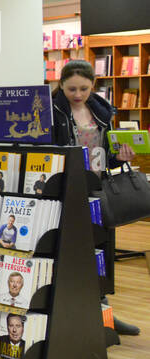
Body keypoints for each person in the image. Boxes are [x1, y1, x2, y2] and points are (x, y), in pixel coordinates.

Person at [51, 59, 138, 334]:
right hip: (66, 189)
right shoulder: (52, 112)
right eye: (71, 89)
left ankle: (105, 315)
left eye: (84, 89)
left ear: (93, 86)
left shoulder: (101, 111)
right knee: (70, 252)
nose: (77, 95)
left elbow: (107, 152)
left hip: (97, 189)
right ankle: (72, 319)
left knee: (101, 251)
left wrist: (120, 155)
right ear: (61, 85)